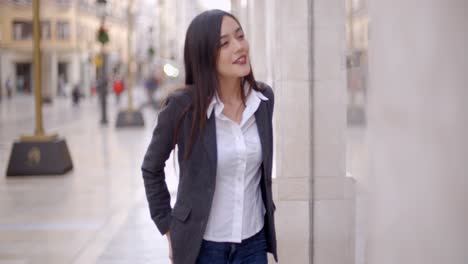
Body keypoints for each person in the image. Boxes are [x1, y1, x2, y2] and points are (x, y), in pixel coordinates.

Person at [141, 10, 277, 264]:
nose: (239, 47)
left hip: (253, 243)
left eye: (240, 36)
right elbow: (151, 168)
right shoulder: (182, 107)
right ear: (205, 55)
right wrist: (169, 227)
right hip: (203, 248)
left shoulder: (263, 100)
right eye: (224, 43)